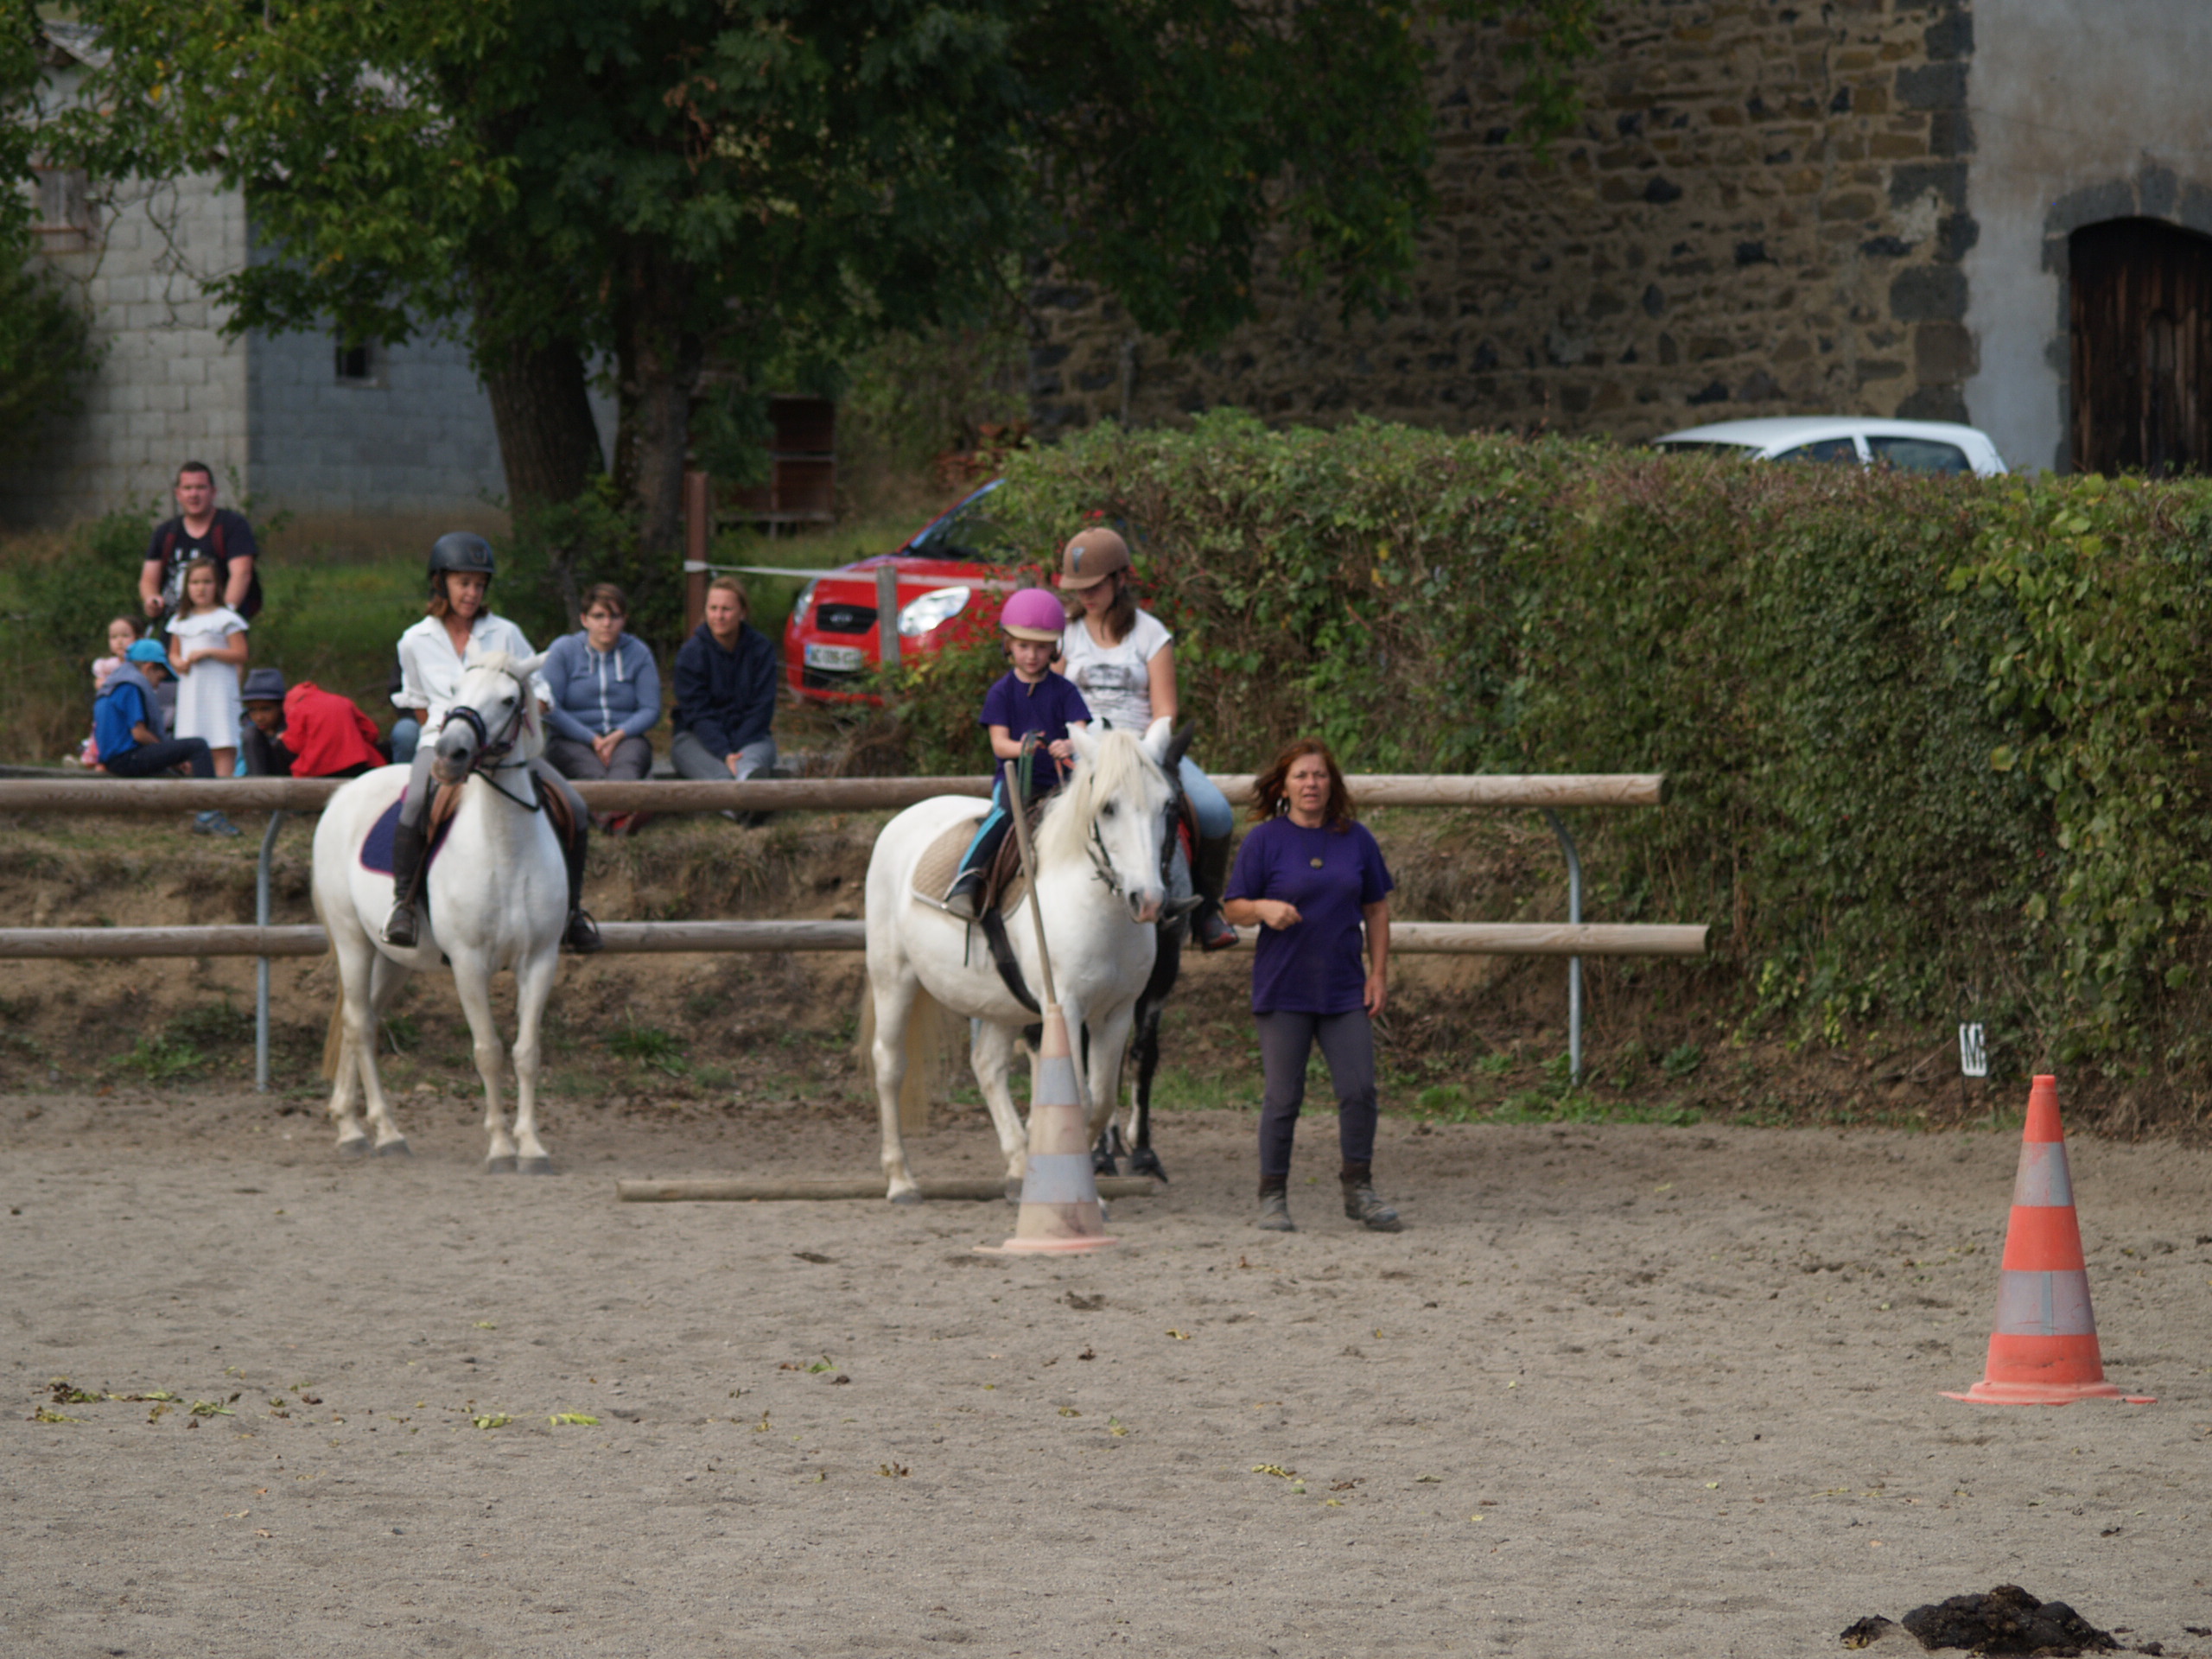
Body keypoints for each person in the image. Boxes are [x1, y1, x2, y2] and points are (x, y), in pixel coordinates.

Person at [386, 532, 600, 953]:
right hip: (444, 743)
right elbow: (417, 702)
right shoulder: (415, 640)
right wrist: (446, 741)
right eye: (464, 583)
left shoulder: (506, 632)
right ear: (441, 583)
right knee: (414, 805)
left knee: (574, 805)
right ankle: (403, 905)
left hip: (505, 749)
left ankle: (573, 913)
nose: (472, 592)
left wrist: (532, 704)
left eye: (480, 585)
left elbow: (539, 689)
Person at [1221, 736, 1400, 1234]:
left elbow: (1377, 909)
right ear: (1284, 785)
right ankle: (1272, 1196)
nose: (1311, 784)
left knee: (1360, 1089)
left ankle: (1359, 1189)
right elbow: (1232, 906)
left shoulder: (1356, 838)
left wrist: (1379, 974)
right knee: (1283, 1097)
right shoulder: (1264, 841)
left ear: (1332, 783)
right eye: (1300, 775)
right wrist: (1262, 909)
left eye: (1319, 775)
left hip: (1344, 988)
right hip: (1284, 989)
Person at [1056, 525, 1237, 950]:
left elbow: (1166, 710)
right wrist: (1080, 742)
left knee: (1215, 813)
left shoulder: (1151, 634)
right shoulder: (1065, 633)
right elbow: (1057, 698)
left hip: (1143, 749)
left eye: (1094, 585)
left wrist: (1148, 750)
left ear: (1120, 579)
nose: (1084, 595)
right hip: (1083, 748)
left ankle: (1207, 910)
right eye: (1077, 587)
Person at [943, 588, 1091, 920]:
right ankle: (965, 880)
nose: (1032, 655)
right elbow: (999, 744)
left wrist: (1069, 744)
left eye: (1041, 647)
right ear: (1008, 644)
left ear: (1056, 648)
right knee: (1004, 814)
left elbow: (1080, 731)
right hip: (1016, 780)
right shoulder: (1001, 693)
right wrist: (1023, 746)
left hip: (1060, 781)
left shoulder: (1065, 690)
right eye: (1023, 646)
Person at [543, 582, 660, 832]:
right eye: (599, 616)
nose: (607, 624)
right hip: (571, 739)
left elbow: (651, 708)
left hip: (626, 737)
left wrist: (618, 735)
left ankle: (610, 817)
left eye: (614, 616)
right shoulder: (563, 650)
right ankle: (619, 819)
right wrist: (592, 739)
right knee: (590, 771)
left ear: (624, 619)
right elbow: (550, 707)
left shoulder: (638, 653)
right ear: (584, 619)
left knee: (626, 766)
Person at [96, 641, 238, 838]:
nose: (159, 682)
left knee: (179, 757)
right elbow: (139, 733)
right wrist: (173, 756)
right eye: (160, 675)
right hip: (126, 759)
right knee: (197, 746)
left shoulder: (114, 683)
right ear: (149, 668)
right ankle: (209, 813)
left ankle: (203, 810)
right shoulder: (130, 686)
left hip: (115, 758)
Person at [671, 575, 778, 790]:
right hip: (697, 739)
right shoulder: (690, 655)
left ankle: (749, 789)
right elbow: (697, 713)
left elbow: (762, 708)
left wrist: (735, 751)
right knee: (716, 774)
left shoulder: (761, 650)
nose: (719, 616)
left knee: (750, 764)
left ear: (742, 612)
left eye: (726, 609)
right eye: (713, 608)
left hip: (751, 738)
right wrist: (724, 752)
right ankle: (746, 806)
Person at [139, 461, 262, 623]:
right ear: (178, 494)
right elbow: (149, 578)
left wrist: (223, 617)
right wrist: (151, 599)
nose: (194, 494)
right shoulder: (166, 532)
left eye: (201, 487)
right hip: (176, 625)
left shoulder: (233, 526)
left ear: (213, 492)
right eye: (188, 488)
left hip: (220, 629)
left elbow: (241, 574)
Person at [165, 557, 249, 781]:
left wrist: (209, 652)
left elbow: (240, 653)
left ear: (217, 585)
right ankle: (201, 801)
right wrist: (177, 662)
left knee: (222, 743)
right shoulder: (180, 621)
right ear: (187, 587)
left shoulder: (226, 618)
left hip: (219, 691)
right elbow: (173, 652)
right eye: (195, 582)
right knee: (194, 744)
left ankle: (220, 800)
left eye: (207, 582)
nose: (201, 588)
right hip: (193, 692)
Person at [240, 669, 386, 779]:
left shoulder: (296, 710)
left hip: (312, 770)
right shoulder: (341, 701)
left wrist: (283, 739)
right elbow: (371, 732)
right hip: (357, 763)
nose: (259, 717)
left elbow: (295, 744)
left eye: (266, 709)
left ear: (282, 705)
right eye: (253, 710)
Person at [79, 616, 143, 766]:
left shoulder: (139, 664)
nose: (120, 641)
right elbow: (100, 684)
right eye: (114, 637)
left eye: (126, 636)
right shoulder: (107, 665)